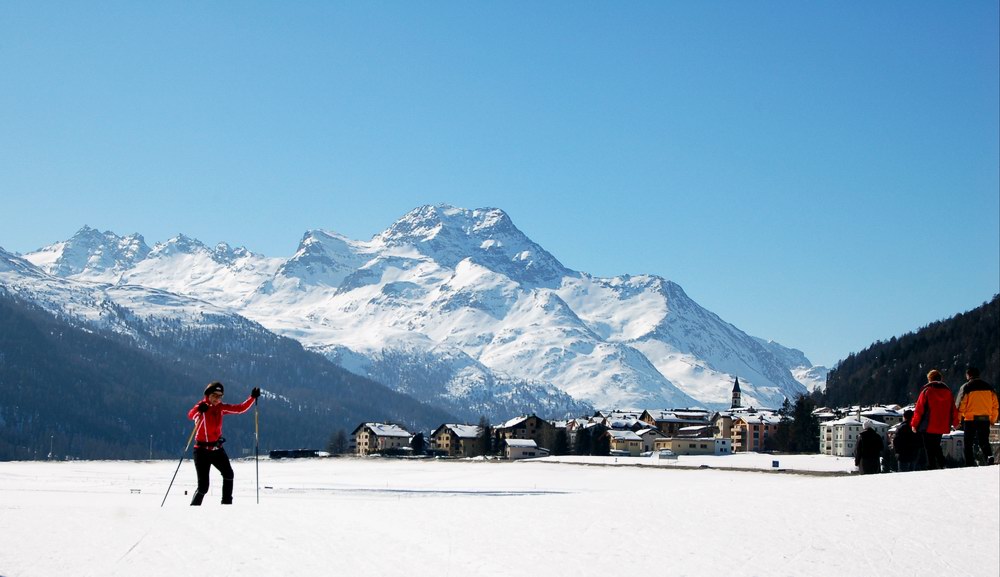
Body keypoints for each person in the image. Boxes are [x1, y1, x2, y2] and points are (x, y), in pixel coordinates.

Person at [188, 381, 260, 505]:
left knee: (228, 474)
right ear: (208, 395)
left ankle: (226, 505)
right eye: (214, 395)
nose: (217, 399)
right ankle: (194, 510)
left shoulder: (221, 408)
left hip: (217, 449)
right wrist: (199, 410)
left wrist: (252, 398)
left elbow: (240, 409)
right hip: (201, 451)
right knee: (203, 487)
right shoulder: (202, 407)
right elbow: (191, 415)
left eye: (220, 396)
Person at [910, 369, 957, 470]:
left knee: (928, 447)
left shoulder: (927, 391)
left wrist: (914, 424)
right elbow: (953, 409)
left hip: (928, 424)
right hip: (942, 424)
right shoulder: (948, 392)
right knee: (936, 445)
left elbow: (919, 410)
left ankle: (931, 466)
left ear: (930, 379)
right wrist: (956, 422)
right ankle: (942, 463)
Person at [955, 367, 999, 466]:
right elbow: (995, 405)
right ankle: (989, 457)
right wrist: (992, 420)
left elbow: (961, 405)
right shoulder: (989, 387)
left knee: (968, 443)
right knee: (984, 441)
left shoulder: (966, 387)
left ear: (968, 375)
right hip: (984, 418)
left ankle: (969, 463)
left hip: (970, 419)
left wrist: (958, 421)